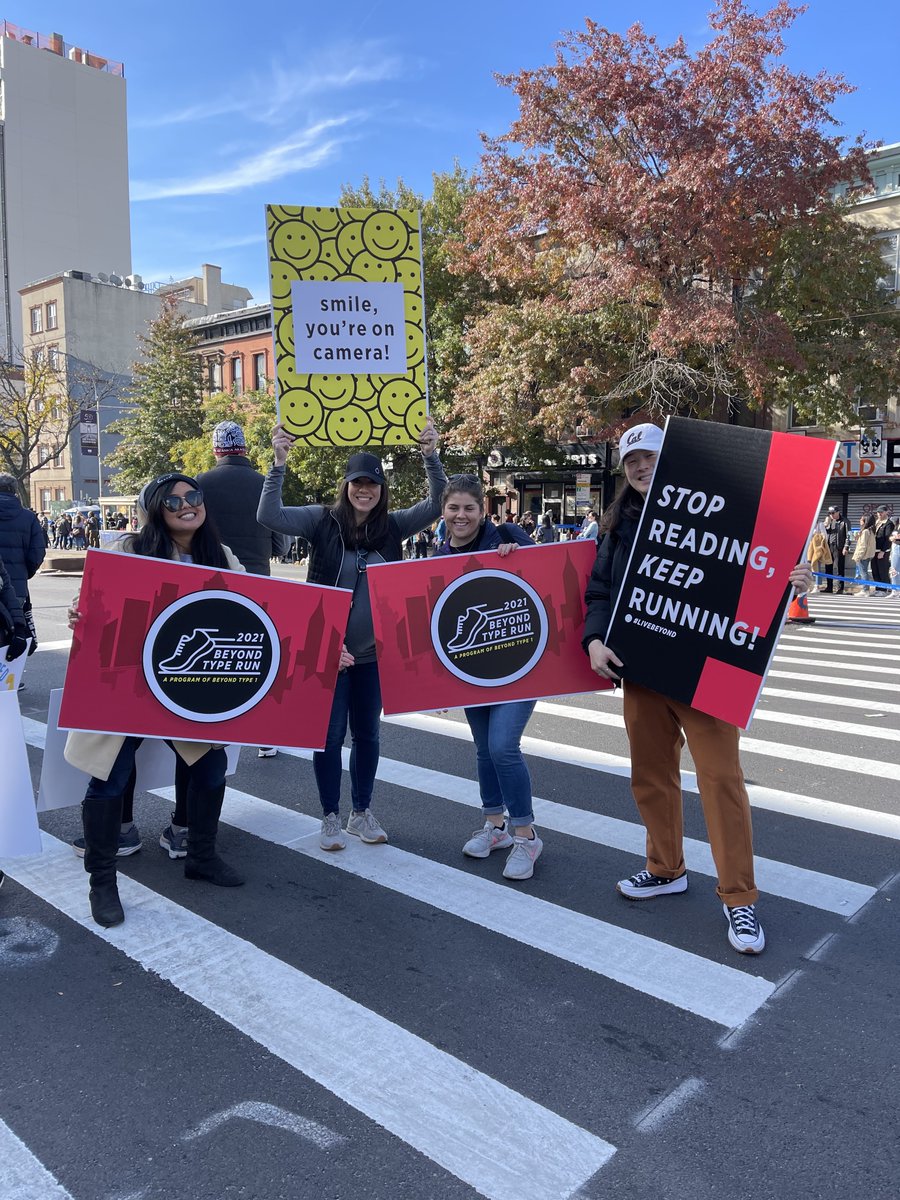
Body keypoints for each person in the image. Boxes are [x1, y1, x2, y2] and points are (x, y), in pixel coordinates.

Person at [582, 423, 813, 956]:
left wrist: (792, 579)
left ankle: (740, 899)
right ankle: (665, 868)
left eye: (651, 458)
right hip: (640, 670)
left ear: (675, 462)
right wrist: (595, 641)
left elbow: (758, 570)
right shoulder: (617, 525)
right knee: (651, 777)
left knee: (722, 783)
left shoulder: (724, 512)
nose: (641, 467)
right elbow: (599, 589)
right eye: (632, 461)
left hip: (707, 672)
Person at [65, 473, 246, 928]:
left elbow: (259, 611)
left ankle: (200, 856)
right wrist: (77, 608)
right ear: (154, 511)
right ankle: (102, 882)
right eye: (173, 500)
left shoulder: (219, 557)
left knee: (209, 767)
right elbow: (92, 595)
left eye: (194, 496)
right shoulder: (129, 550)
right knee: (110, 776)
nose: (187, 505)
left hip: (185, 687)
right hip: (126, 683)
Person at [258, 420, 446, 850]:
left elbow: (438, 503)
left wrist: (431, 455)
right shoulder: (321, 521)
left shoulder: (394, 526)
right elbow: (268, 515)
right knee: (327, 736)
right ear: (345, 486)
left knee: (369, 735)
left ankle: (361, 812)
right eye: (358, 483)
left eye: (373, 484)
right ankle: (329, 816)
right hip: (327, 651)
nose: (365, 490)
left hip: (373, 655)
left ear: (381, 489)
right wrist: (279, 463)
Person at [433, 475, 542, 879]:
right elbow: (439, 625)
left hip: (518, 668)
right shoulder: (440, 554)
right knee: (483, 749)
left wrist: (520, 553)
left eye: (469, 508)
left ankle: (527, 837)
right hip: (474, 669)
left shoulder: (508, 537)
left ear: (483, 511)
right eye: (453, 508)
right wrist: (438, 683)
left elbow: (547, 582)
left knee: (502, 747)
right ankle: (495, 826)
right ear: (443, 512)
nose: (461, 516)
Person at [196, 420, 290, 758]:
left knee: (215, 656)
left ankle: (215, 729)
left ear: (215, 449)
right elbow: (281, 542)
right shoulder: (264, 483)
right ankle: (265, 736)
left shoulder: (199, 485)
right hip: (257, 581)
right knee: (257, 656)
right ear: (245, 448)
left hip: (214, 583)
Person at [0, 474, 46, 686]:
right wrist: (24, 573)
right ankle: (9, 677)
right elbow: (37, 553)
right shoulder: (27, 518)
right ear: (15, 491)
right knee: (12, 629)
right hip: (16, 585)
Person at [821, 506, 848, 594]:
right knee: (828, 567)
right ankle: (829, 587)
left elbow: (849, 535)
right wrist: (826, 525)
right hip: (829, 547)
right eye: (830, 513)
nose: (831, 515)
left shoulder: (844, 521)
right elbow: (824, 533)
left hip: (839, 547)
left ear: (838, 512)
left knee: (839, 568)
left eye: (833, 513)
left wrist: (846, 547)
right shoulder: (829, 521)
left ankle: (840, 588)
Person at [871, 505, 896, 596]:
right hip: (874, 550)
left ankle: (884, 589)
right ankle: (878, 588)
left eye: (881, 512)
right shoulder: (877, 522)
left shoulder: (889, 523)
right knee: (875, 570)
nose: (879, 514)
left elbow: (888, 539)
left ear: (886, 512)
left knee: (883, 570)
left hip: (883, 551)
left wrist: (883, 551)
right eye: (878, 512)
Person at [849, 514, 876, 595]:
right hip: (868, 555)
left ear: (865, 521)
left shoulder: (865, 532)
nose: (859, 521)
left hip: (863, 555)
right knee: (864, 572)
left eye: (861, 520)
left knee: (863, 572)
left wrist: (858, 556)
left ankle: (865, 590)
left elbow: (862, 546)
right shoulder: (870, 531)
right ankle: (865, 589)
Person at [806, 525, 831, 591]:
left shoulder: (820, 525)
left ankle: (817, 585)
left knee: (817, 567)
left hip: (817, 549)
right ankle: (808, 585)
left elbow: (824, 537)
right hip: (808, 548)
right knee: (808, 566)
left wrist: (817, 537)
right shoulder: (809, 524)